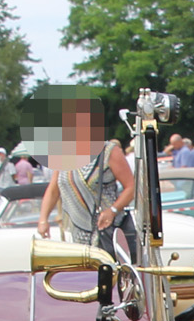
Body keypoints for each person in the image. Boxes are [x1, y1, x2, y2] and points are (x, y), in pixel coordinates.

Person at [36, 95, 136, 256]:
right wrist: (43, 219)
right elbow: (53, 190)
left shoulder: (108, 151)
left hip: (106, 230)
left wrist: (112, 210)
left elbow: (131, 187)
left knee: (108, 276)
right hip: (76, 232)